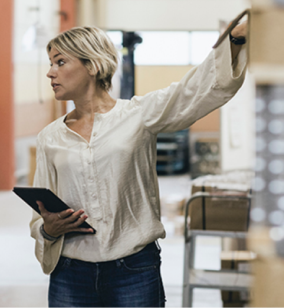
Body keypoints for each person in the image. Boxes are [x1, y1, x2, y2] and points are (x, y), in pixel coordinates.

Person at [29, 16, 248, 307]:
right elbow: (39, 216)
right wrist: (48, 229)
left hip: (133, 270)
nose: (50, 73)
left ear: (92, 66)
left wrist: (234, 41)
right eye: (50, 63)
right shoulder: (49, 137)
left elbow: (192, 92)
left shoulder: (138, 115)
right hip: (71, 272)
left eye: (59, 62)